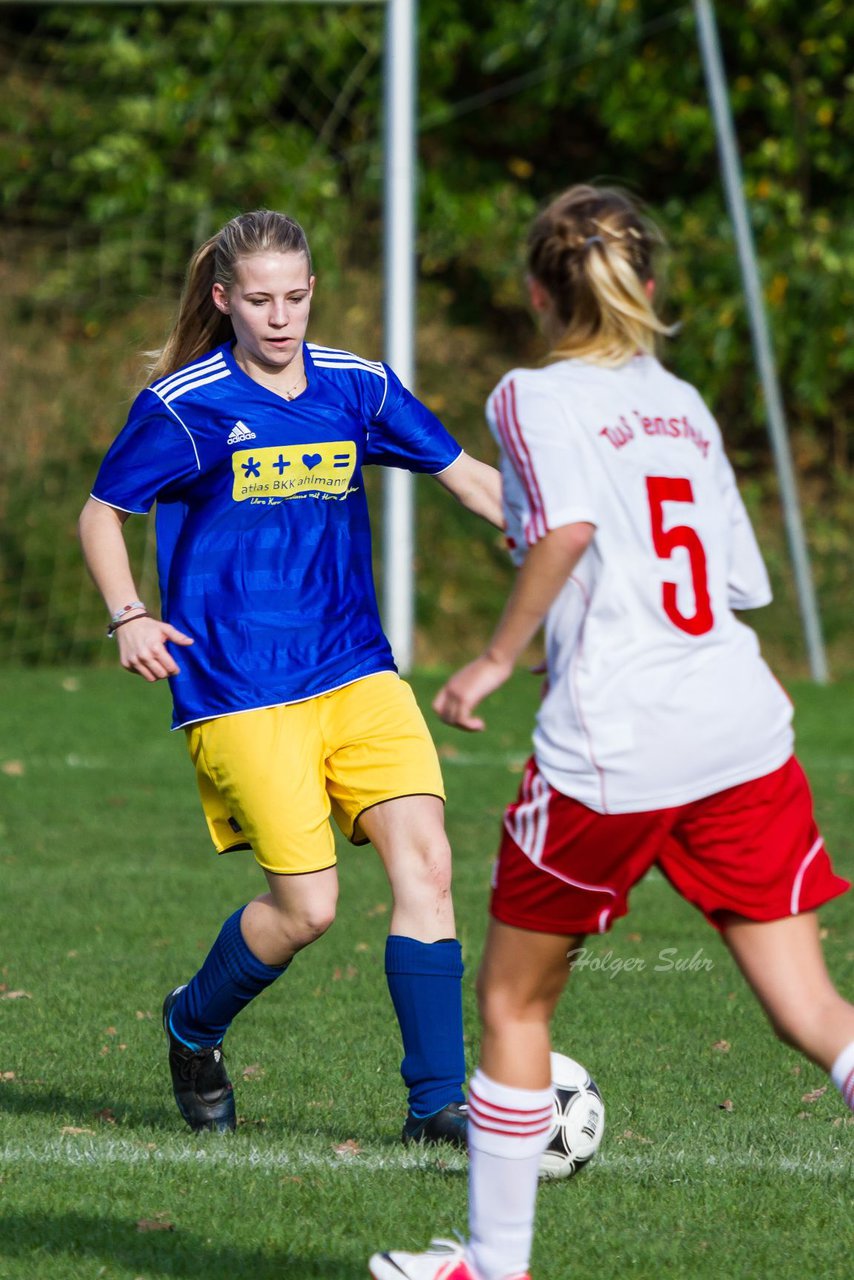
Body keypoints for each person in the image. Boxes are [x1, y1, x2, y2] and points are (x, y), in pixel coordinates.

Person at [368, 182, 854, 1280]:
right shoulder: (680, 399)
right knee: (809, 1007)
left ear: (539, 293)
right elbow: (721, 580)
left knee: (509, 998)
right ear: (646, 283)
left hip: (617, 747)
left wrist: (497, 653)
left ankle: (491, 1264)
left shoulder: (529, 397)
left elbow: (571, 528)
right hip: (737, 725)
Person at [78, 209, 504, 1145]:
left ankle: (435, 1106)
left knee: (427, 863)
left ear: (314, 291)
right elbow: (101, 513)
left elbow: (470, 477)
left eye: (297, 297)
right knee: (308, 909)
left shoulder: (358, 387)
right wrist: (129, 614)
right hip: (237, 685)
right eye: (261, 300)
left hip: (357, 669)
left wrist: (563, 531)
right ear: (224, 299)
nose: (281, 317)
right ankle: (194, 1023)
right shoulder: (186, 404)